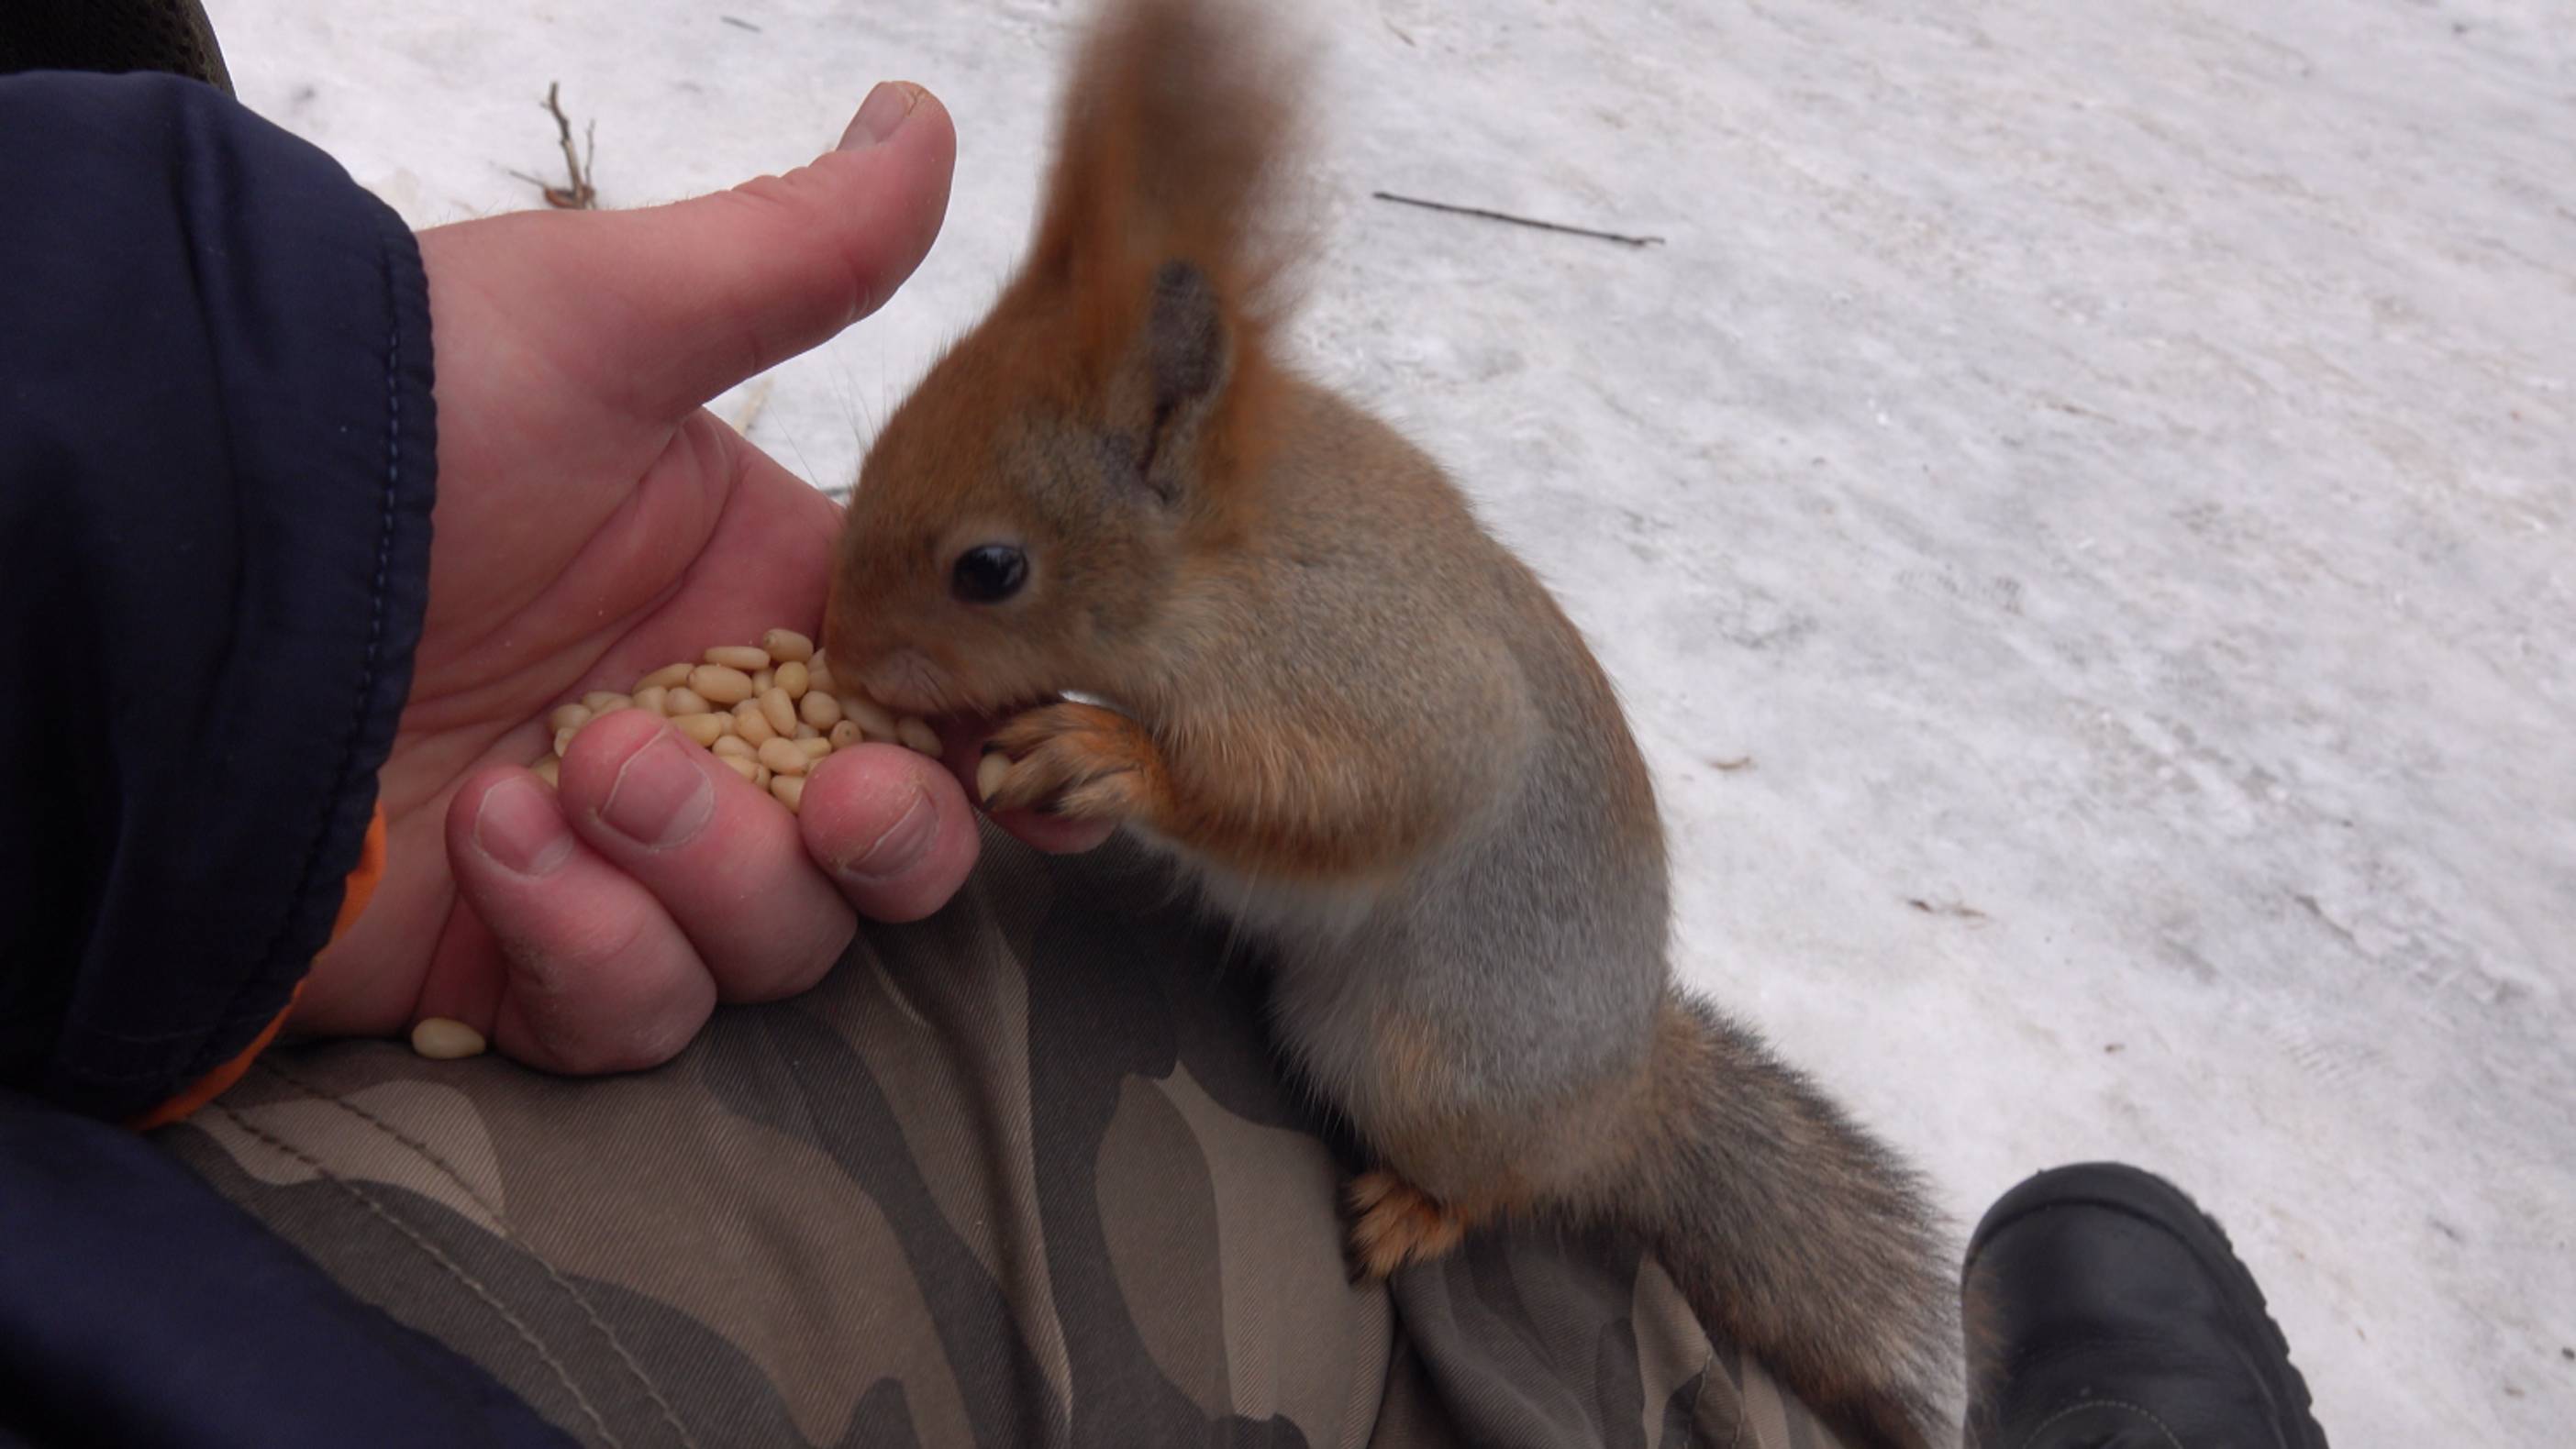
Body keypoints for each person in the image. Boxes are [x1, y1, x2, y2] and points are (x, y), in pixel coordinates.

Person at [0, 7, 2328, 1447]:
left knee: (1397, 1150)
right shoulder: (1151, 548)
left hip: (1485, 1033)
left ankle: (1582, 1250)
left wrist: (1144, 771)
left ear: (1165, 476)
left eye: (981, 585)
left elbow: (1393, 794)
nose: (889, 634)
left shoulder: (1287, 633)